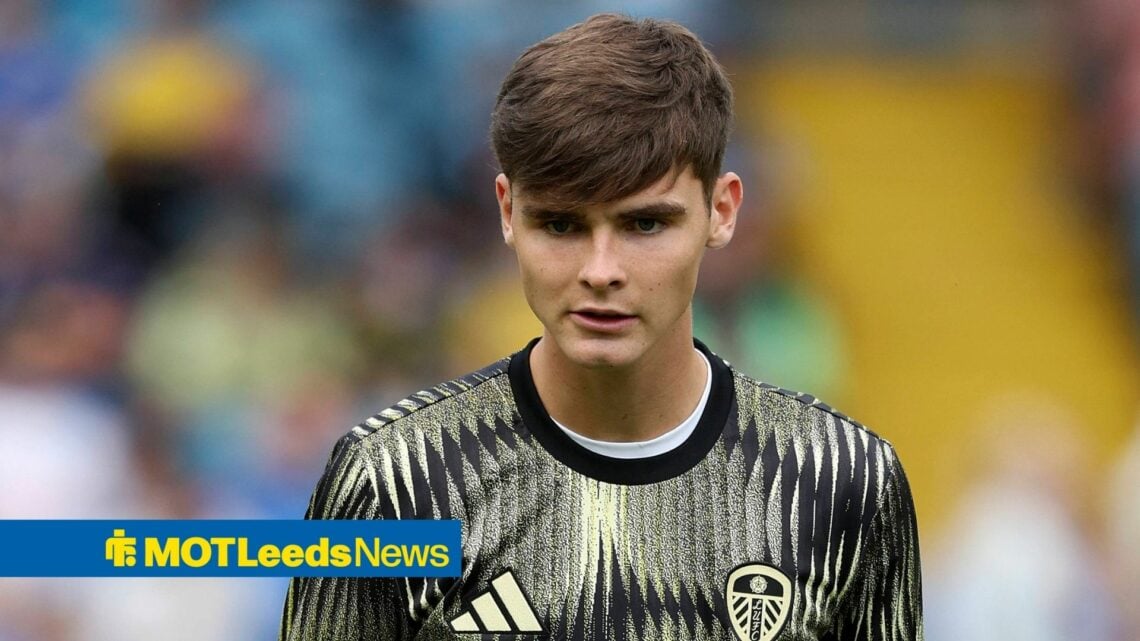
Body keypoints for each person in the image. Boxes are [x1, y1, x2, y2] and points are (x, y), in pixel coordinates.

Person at [280, 13, 923, 641]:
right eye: (560, 224)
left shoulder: (845, 482)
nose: (601, 271)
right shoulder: (392, 479)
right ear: (508, 213)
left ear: (722, 211)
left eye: (646, 224)